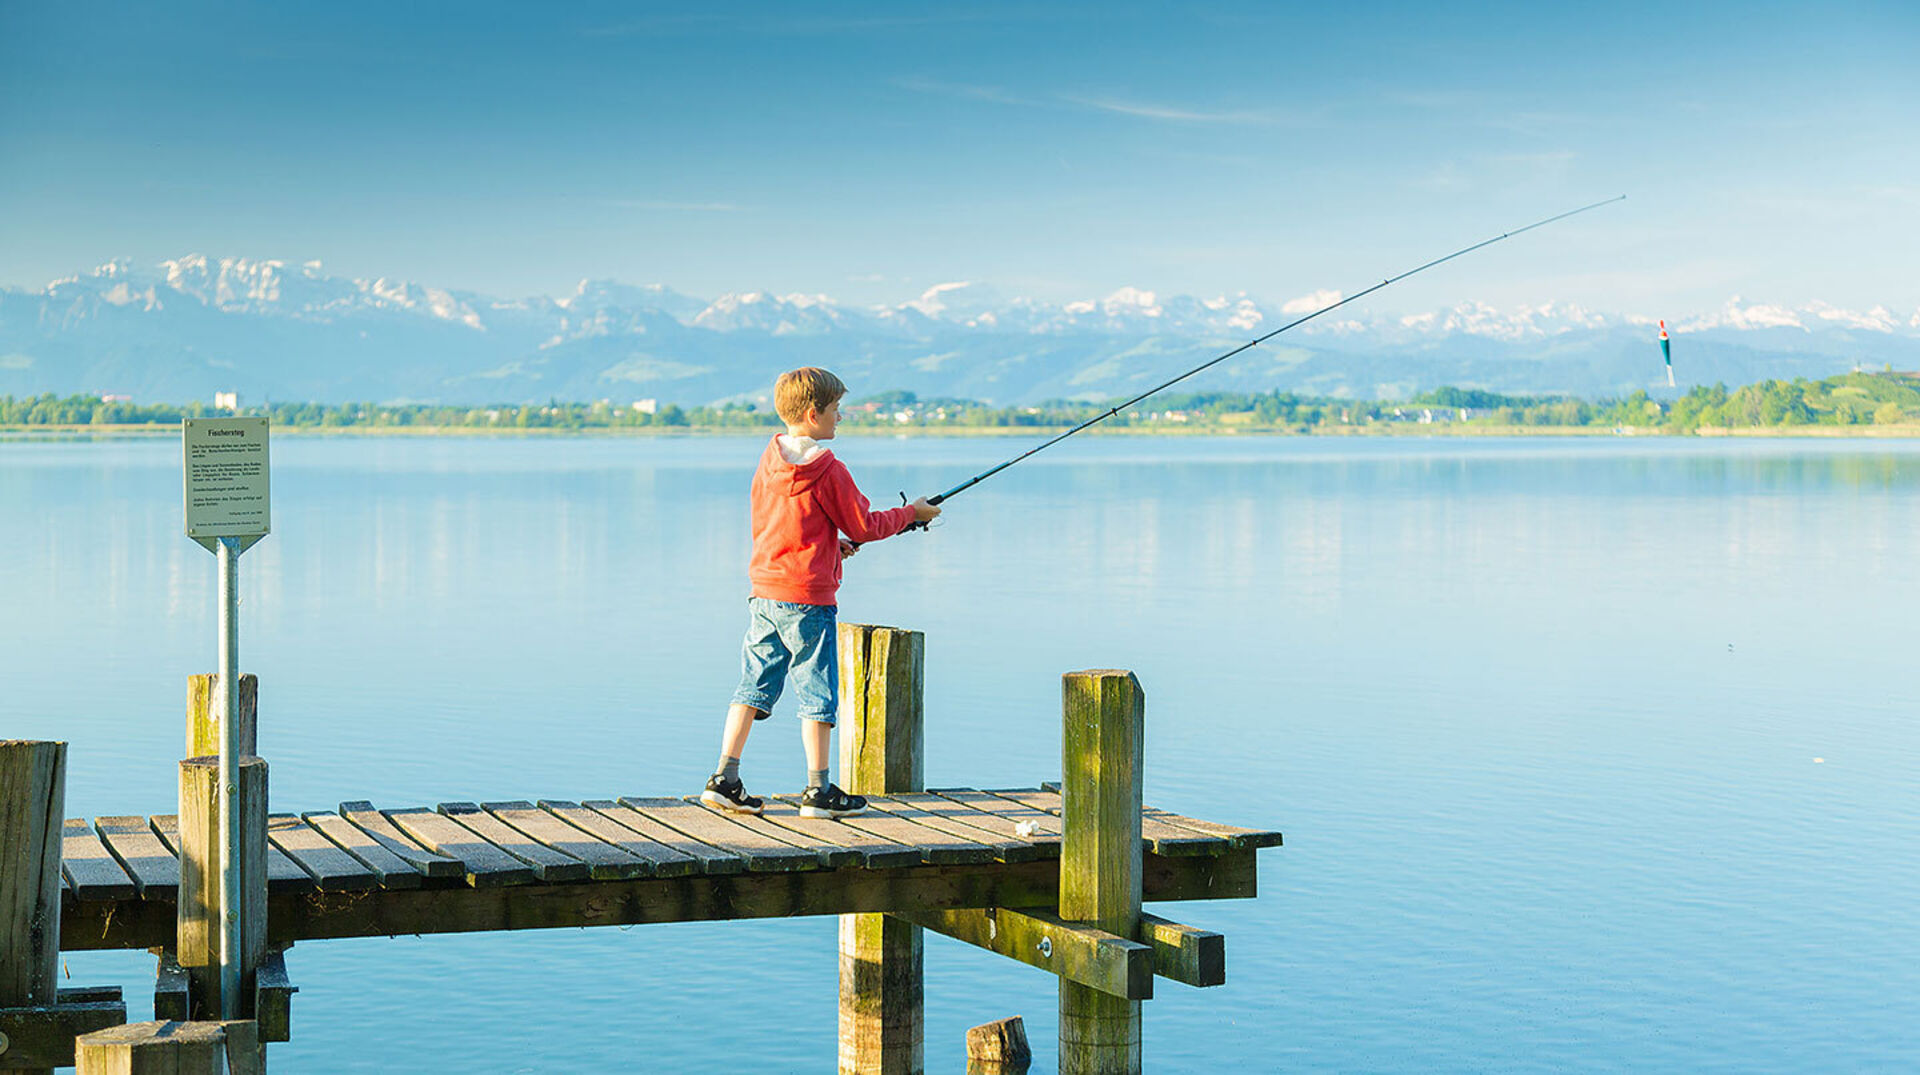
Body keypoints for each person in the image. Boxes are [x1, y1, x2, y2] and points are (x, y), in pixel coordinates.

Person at [702, 367, 940, 819]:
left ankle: (724, 778)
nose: (840, 418)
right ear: (814, 414)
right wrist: (912, 512)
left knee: (752, 686)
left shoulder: (770, 459)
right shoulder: (829, 469)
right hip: (808, 598)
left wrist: (831, 545)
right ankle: (818, 791)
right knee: (817, 691)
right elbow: (866, 526)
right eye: (835, 410)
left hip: (765, 591)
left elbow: (784, 523)